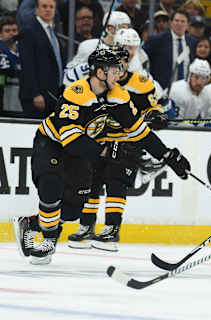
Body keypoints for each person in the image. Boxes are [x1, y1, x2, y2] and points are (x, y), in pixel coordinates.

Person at [12, 48, 190, 264]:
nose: (119, 75)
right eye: (115, 70)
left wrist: (168, 156)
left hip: (84, 153)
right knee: (52, 186)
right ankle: (49, 241)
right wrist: (107, 151)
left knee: (71, 211)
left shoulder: (120, 97)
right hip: (53, 144)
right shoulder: (75, 93)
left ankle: (31, 224)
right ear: (100, 72)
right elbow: (71, 140)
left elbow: (140, 133)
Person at [67, 45, 170, 251]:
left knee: (116, 181)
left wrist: (155, 115)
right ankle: (86, 226)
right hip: (98, 141)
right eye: (114, 65)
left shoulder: (140, 83)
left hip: (126, 141)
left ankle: (112, 228)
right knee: (91, 181)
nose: (119, 68)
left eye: (121, 64)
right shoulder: (96, 86)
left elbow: (153, 107)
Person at [18, 0, 65, 119]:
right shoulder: (29, 31)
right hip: (38, 97)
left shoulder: (53, 31)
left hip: (53, 95)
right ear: (36, 10)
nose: (48, 9)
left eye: (51, 7)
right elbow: (27, 65)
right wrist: (35, 94)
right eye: (44, 6)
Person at [144, 10, 197, 89]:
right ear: (171, 23)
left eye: (183, 21)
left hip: (185, 90)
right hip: (162, 89)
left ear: (187, 25)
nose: (179, 24)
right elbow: (143, 58)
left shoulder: (192, 42)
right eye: (176, 21)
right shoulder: (157, 40)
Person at [0, 16, 21, 115]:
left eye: (14, 30)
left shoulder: (24, 51)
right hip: (4, 98)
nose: (12, 33)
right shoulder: (1, 51)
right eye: (7, 31)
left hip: (21, 99)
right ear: (1, 34)